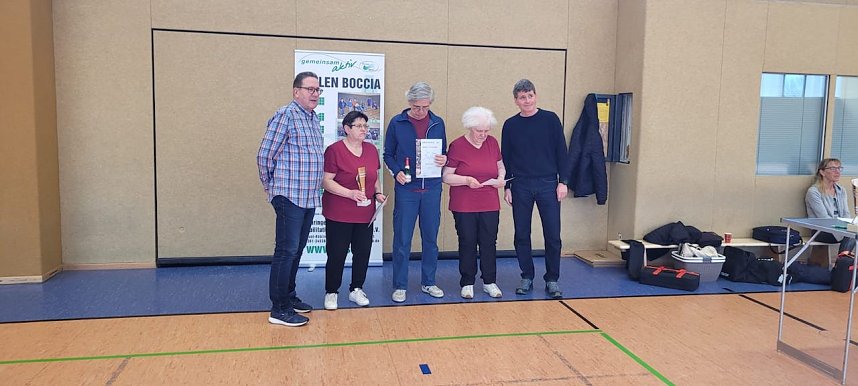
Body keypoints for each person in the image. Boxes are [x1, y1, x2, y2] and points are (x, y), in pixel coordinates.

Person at [256, 72, 325, 327]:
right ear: (296, 91)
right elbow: (264, 155)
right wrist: (271, 188)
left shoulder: (312, 118)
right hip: (289, 195)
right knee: (285, 251)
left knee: (296, 251)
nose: (315, 94)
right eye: (309, 89)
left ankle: (289, 296)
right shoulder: (286, 114)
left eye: (318, 89)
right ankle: (279, 308)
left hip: (308, 197)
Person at [501, 79, 571, 299]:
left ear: (536, 96)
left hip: (548, 184)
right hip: (520, 184)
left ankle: (552, 279)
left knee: (553, 235)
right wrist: (508, 186)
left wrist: (563, 181)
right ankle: (527, 276)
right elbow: (506, 157)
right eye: (522, 97)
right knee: (521, 233)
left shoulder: (550, 120)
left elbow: (562, 151)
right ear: (516, 101)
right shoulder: (510, 125)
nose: (527, 100)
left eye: (530, 95)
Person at [383, 82, 447, 303]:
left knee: (431, 238)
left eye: (425, 107)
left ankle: (429, 282)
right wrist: (397, 172)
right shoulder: (397, 123)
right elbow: (387, 154)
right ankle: (400, 285)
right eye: (417, 106)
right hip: (407, 189)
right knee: (402, 239)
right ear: (409, 102)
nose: (421, 111)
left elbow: (444, 153)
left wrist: (444, 159)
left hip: (432, 188)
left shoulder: (438, 123)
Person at [321, 111, 386, 310]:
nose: (363, 129)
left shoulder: (371, 149)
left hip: (365, 212)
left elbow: (374, 178)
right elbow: (326, 181)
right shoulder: (334, 150)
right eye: (358, 126)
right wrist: (349, 194)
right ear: (347, 128)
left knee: (362, 252)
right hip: (339, 212)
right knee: (337, 253)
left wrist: (378, 195)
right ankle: (332, 291)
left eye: (365, 126)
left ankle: (356, 288)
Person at [443, 107, 505, 299]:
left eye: (487, 131)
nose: (483, 135)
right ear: (470, 128)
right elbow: (446, 176)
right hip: (464, 204)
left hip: (489, 202)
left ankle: (489, 281)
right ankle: (467, 281)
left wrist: (501, 178)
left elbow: (500, 166)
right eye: (480, 131)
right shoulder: (457, 146)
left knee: (489, 242)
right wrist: (467, 180)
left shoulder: (492, 143)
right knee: (468, 241)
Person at [806, 158, 857, 256]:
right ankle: (841, 265)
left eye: (839, 168)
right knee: (852, 234)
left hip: (840, 229)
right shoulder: (814, 192)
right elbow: (824, 218)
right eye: (833, 168)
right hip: (821, 230)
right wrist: (844, 228)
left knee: (853, 232)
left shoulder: (841, 190)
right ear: (822, 172)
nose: (837, 172)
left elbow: (846, 213)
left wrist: (849, 225)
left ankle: (842, 264)